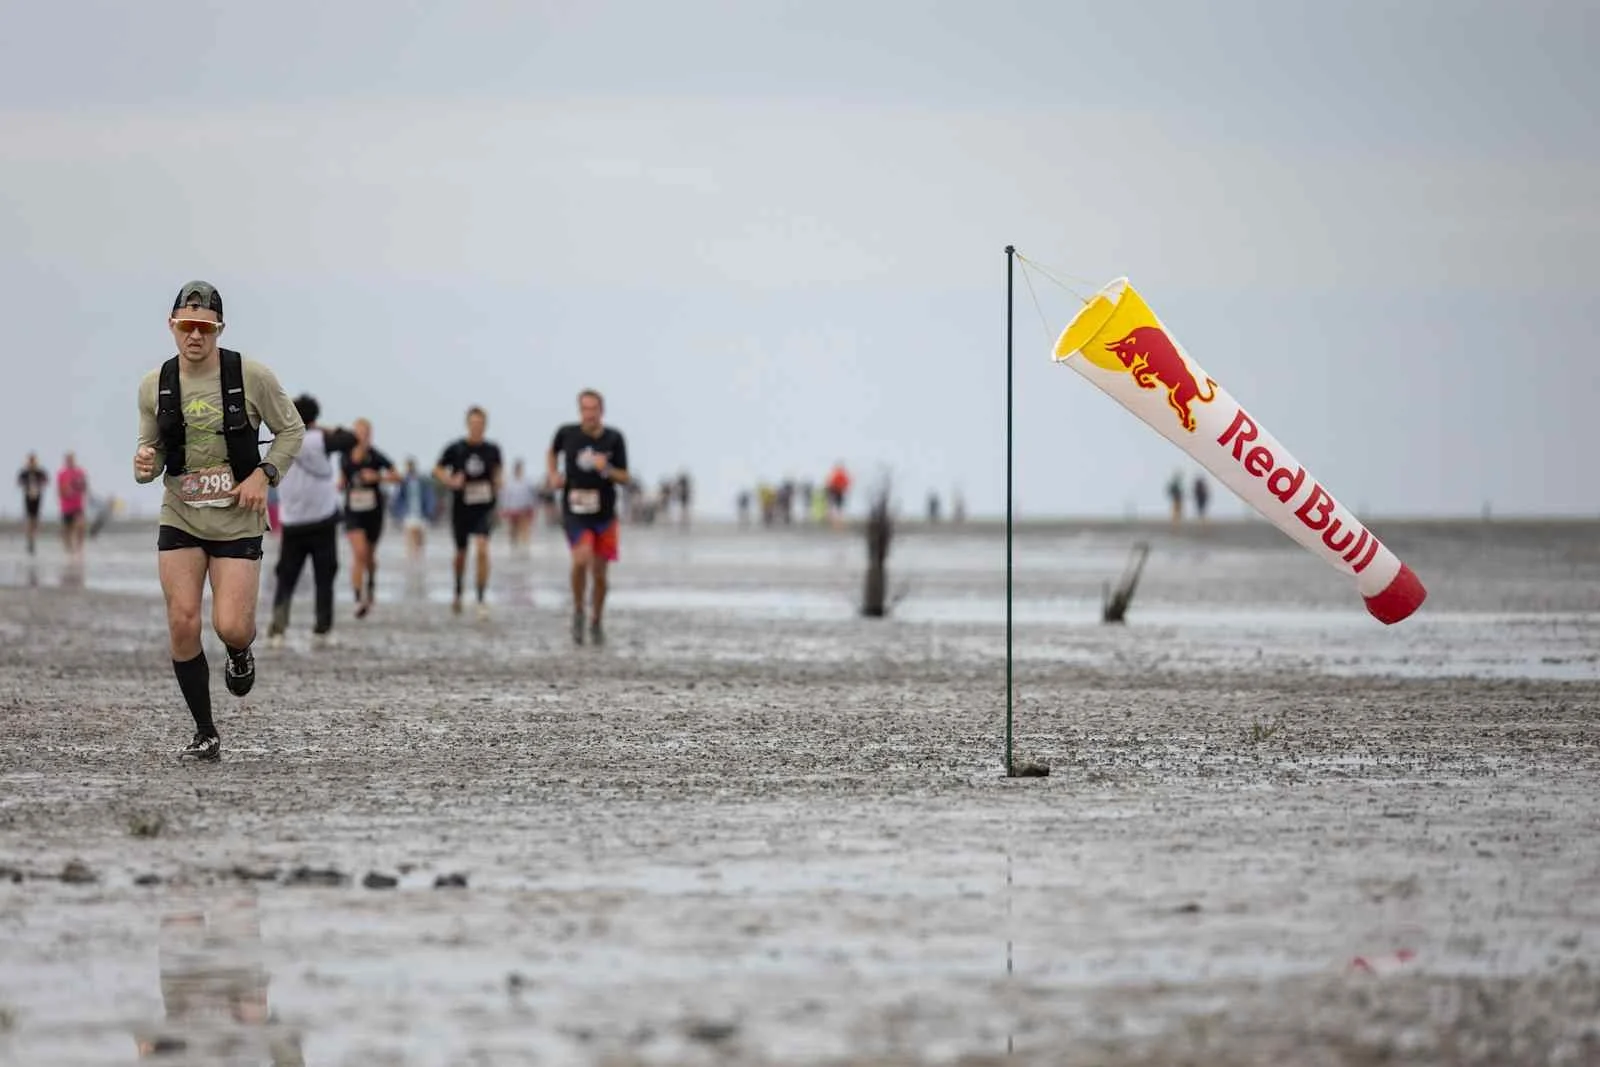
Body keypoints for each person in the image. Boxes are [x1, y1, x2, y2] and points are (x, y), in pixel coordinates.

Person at [133, 281, 305, 762]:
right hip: (181, 511)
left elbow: (292, 430)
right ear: (172, 326)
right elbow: (151, 454)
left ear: (219, 329)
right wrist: (144, 465)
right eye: (187, 326)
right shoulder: (154, 385)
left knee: (230, 625)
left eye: (205, 328)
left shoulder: (252, 375)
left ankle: (239, 650)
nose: (195, 336)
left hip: (238, 518)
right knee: (182, 620)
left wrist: (264, 475)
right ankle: (205, 732)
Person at [267, 395, 356, 647]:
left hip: (292, 522)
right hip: (322, 520)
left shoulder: (279, 441)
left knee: (286, 577)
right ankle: (322, 629)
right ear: (315, 417)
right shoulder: (320, 439)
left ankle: (278, 628)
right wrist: (323, 428)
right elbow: (351, 439)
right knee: (324, 578)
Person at [548, 389, 630, 646]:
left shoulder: (614, 438)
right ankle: (578, 609)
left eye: (593, 409)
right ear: (579, 410)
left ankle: (596, 619)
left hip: (604, 514)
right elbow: (552, 452)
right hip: (575, 510)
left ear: (601, 411)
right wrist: (553, 474)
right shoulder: (567, 433)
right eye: (585, 409)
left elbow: (625, 477)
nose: (589, 414)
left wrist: (606, 469)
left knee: (600, 573)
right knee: (581, 559)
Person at [434, 406, 503, 618]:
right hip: (461, 507)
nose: (476, 427)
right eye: (473, 423)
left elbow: (498, 473)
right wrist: (450, 480)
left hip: (484, 506)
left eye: (480, 424)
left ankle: (481, 597)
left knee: (482, 548)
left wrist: (498, 483)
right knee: (461, 554)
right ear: (467, 424)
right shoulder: (456, 448)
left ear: (485, 425)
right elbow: (437, 469)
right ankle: (458, 590)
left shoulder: (492, 449)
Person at [340, 418, 399, 618]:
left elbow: (397, 476)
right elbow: (342, 478)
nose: (361, 437)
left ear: (370, 436)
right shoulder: (345, 456)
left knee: (369, 556)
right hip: (353, 512)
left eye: (365, 434)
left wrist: (378, 477)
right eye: (358, 433)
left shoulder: (376, 456)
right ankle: (358, 599)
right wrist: (340, 484)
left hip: (374, 512)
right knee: (359, 553)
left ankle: (371, 584)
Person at [390, 457, 436, 562]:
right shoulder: (403, 481)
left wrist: (430, 510)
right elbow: (397, 498)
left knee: (420, 538)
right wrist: (397, 512)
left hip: (422, 513)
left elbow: (429, 496)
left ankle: (419, 559)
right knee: (410, 536)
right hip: (407, 513)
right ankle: (411, 559)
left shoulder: (423, 481)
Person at [499, 459, 538, 549]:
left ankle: (525, 545)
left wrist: (533, 505)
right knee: (513, 528)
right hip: (512, 508)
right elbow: (504, 495)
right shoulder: (509, 482)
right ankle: (514, 544)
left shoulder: (527, 481)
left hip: (524, 507)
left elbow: (533, 494)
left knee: (524, 527)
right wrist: (504, 507)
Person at [16, 452, 48, 555]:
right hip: (28, 497)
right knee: (29, 518)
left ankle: (33, 538)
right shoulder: (24, 472)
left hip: (37, 497)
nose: (32, 463)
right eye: (30, 461)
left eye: (33, 461)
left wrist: (38, 485)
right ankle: (29, 539)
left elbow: (45, 481)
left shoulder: (40, 472)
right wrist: (27, 486)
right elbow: (19, 482)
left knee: (35, 519)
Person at [57, 451, 88, 555]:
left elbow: (85, 486)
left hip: (78, 505)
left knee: (81, 525)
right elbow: (59, 490)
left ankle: (79, 548)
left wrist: (82, 490)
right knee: (67, 529)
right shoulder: (62, 474)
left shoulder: (80, 472)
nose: (70, 461)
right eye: (68, 459)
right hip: (66, 506)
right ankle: (69, 549)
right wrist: (65, 493)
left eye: (71, 459)